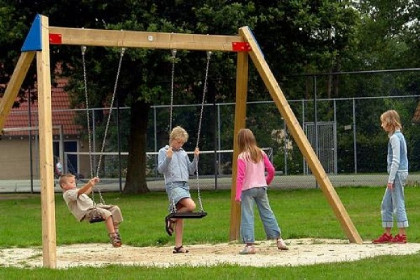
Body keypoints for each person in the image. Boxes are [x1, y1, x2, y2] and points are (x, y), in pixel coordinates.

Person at [235, 128, 288, 254]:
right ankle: (279, 239)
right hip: (261, 187)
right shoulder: (261, 153)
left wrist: (237, 195)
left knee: (247, 215)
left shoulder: (242, 156)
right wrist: (266, 182)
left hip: (248, 189)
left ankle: (249, 245)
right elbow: (271, 170)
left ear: (240, 142)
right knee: (267, 212)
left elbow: (240, 177)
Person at [157, 126, 199, 254]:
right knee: (191, 206)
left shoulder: (183, 153)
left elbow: (191, 170)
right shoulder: (163, 151)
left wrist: (196, 158)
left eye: (182, 143)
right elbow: (161, 170)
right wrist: (168, 158)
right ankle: (171, 218)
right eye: (178, 142)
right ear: (172, 139)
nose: (180, 145)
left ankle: (178, 246)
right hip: (173, 185)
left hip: (184, 185)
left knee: (181, 215)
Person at [373, 110, 409, 244]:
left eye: (383, 122)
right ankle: (387, 234)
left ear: (389, 122)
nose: (381, 125)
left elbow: (396, 160)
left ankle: (402, 235)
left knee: (398, 203)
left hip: (397, 174)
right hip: (399, 173)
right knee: (386, 203)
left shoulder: (395, 138)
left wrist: (391, 179)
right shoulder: (398, 136)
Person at [59, 173, 123, 247]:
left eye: (74, 181)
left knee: (115, 209)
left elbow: (85, 192)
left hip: (94, 207)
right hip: (87, 212)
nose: (74, 183)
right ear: (64, 185)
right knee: (107, 214)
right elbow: (80, 192)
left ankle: (116, 231)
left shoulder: (76, 191)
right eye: (71, 182)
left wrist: (92, 185)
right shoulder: (67, 194)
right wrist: (89, 184)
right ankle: (113, 236)